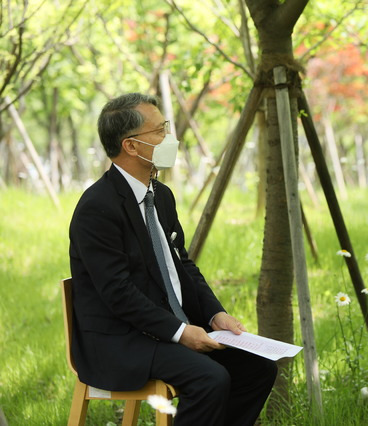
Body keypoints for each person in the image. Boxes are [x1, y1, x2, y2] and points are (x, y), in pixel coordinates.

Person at [69, 93, 277, 426]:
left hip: (162, 329)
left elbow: (183, 266)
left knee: (259, 368)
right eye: (160, 130)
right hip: (119, 341)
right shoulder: (97, 209)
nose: (170, 138)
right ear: (131, 146)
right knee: (210, 378)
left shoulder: (160, 196)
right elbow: (117, 292)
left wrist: (215, 313)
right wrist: (181, 332)